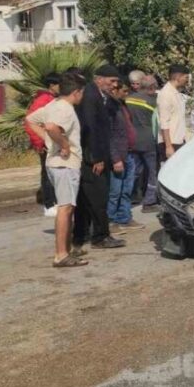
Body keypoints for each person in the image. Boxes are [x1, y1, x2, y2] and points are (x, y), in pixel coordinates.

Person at [26, 73, 87, 267]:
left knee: (67, 207)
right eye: (82, 93)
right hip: (64, 165)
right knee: (66, 207)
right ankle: (61, 254)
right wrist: (63, 144)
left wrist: (47, 140)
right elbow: (52, 127)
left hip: (55, 164)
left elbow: (31, 119)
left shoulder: (53, 104)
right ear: (76, 92)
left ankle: (65, 250)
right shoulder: (65, 109)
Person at [74, 64, 127, 252]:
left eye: (116, 82)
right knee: (97, 198)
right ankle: (100, 236)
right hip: (92, 157)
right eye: (112, 81)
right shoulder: (90, 96)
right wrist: (96, 157)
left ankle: (81, 235)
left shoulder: (101, 96)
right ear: (99, 79)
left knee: (88, 199)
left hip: (95, 155)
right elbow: (89, 128)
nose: (114, 85)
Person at [107, 83, 143, 233]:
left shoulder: (122, 106)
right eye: (124, 91)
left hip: (129, 153)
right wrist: (115, 158)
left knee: (127, 189)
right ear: (115, 90)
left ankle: (124, 217)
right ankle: (110, 221)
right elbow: (109, 136)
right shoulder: (109, 107)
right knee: (115, 191)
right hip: (118, 156)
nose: (127, 94)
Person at [25, 72, 61, 217]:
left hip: (52, 142)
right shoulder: (43, 100)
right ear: (52, 86)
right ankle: (49, 203)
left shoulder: (52, 99)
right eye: (60, 84)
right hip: (45, 144)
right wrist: (40, 142)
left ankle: (55, 201)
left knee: (53, 174)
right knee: (47, 174)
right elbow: (30, 122)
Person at [126, 75, 161, 212]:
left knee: (133, 171)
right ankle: (149, 202)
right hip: (148, 141)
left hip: (131, 140)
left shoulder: (128, 98)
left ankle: (127, 198)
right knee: (152, 172)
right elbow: (157, 123)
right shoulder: (152, 101)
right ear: (152, 87)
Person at [158, 64, 189, 162]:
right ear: (178, 77)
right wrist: (168, 146)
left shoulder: (176, 93)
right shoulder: (166, 94)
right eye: (186, 77)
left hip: (179, 139)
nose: (187, 80)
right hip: (171, 142)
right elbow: (164, 122)